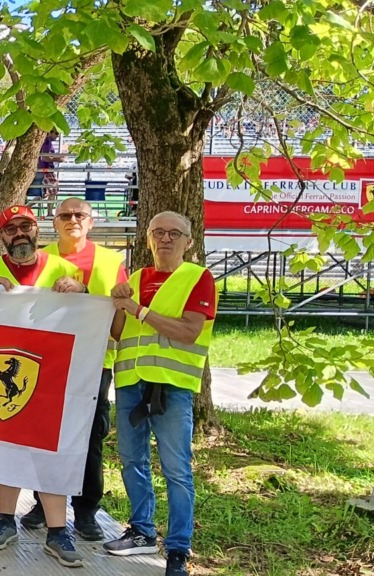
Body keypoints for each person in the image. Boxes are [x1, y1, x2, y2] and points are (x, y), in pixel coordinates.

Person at [0, 204, 87, 568]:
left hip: (52, 374)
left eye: (26, 226)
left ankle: (58, 530)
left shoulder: (65, 269)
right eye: (11, 229)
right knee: (6, 445)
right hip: (2, 370)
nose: (19, 233)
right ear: (1, 235)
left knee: (50, 448)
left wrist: (81, 290)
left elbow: (93, 317)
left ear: (37, 230)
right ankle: (4, 520)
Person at [104, 211, 216, 576]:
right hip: (131, 383)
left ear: (188, 241)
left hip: (172, 386)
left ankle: (179, 550)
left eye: (174, 233)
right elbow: (120, 331)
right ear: (149, 239)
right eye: (158, 233)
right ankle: (142, 531)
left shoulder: (198, 278)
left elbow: (188, 332)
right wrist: (117, 303)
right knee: (131, 460)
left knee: (176, 470)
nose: (165, 239)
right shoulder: (136, 278)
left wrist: (138, 308)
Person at [17, 198, 128, 540]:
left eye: (80, 215)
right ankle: (42, 503)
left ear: (91, 222)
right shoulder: (41, 257)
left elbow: (118, 318)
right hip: (45, 363)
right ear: (55, 221)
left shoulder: (111, 261)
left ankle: (86, 510)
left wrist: (85, 292)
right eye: (65, 215)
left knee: (90, 438)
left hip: (93, 363)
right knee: (41, 436)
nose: (73, 220)